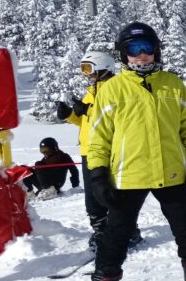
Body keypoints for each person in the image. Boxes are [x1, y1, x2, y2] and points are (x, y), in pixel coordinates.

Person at [87, 21, 186, 281]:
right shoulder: (112, 89)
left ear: (157, 50)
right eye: (134, 49)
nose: (141, 55)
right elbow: (98, 138)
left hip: (171, 173)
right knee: (115, 239)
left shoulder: (173, 85)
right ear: (123, 54)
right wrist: (98, 175)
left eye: (147, 48)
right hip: (128, 176)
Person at [56, 49, 139, 251]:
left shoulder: (117, 88)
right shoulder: (91, 92)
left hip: (110, 150)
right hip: (88, 151)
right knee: (93, 196)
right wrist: (70, 115)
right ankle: (100, 229)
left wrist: (88, 110)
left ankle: (128, 231)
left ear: (103, 67)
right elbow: (87, 122)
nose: (86, 74)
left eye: (89, 69)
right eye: (83, 69)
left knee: (114, 192)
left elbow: (117, 116)